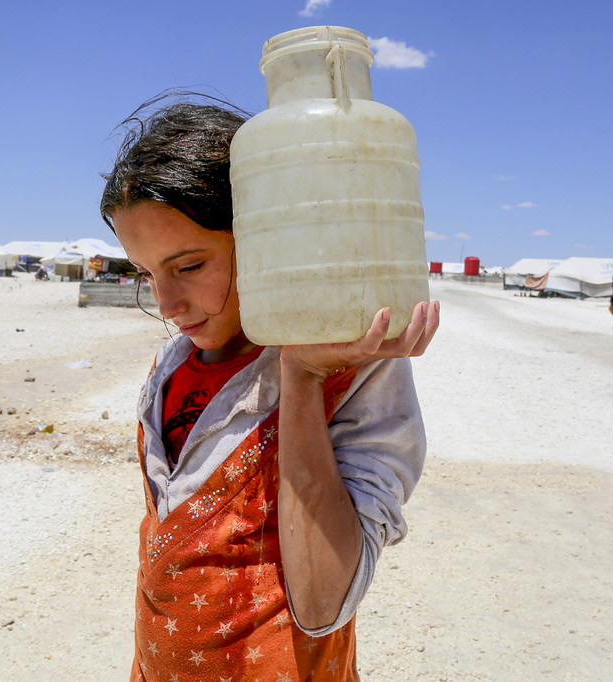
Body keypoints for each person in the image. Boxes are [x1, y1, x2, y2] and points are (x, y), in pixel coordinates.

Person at [100, 98, 440, 681]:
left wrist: (302, 378)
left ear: (267, 240)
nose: (166, 304)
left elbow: (323, 602)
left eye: (188, 266)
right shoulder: (171, 365)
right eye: (146, 273)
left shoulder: (352, 371)